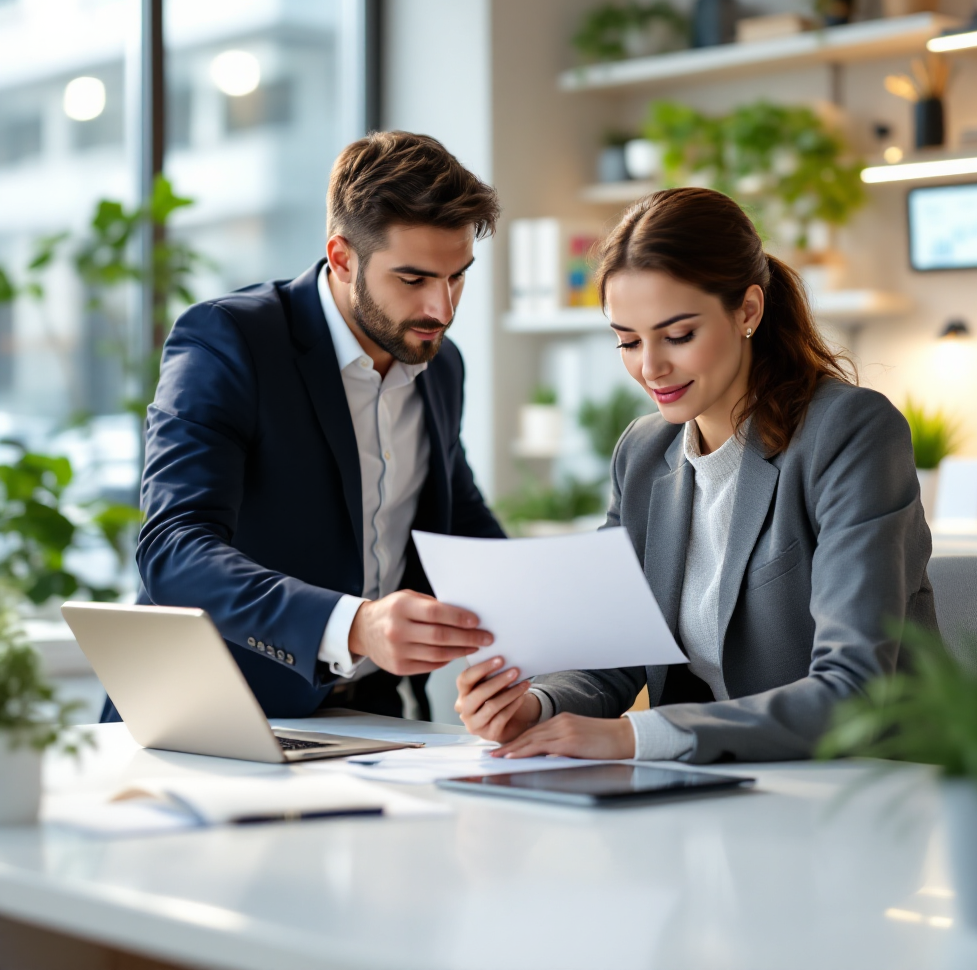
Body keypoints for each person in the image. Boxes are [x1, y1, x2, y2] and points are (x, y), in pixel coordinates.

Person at [455, 186, 935, 764]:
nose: (650, 367)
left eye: (678, 336)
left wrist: (638, 736)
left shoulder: (848, 431)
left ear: (748, 311)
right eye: (628, 341)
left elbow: (853, 688)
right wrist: (534, 704)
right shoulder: (643, 452)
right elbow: (611, 653)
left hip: (865, 784)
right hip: (723, 792)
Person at [103, 130, 504, 723]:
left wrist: (550, 628)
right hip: (205, 712)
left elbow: (459, 520)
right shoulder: (228, 341)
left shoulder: (441, 365)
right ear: (343, 257)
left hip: (368, 715)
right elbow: (174, 550)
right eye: (414, 280)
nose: (441, 310)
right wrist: (354, 625)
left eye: (458, 277)